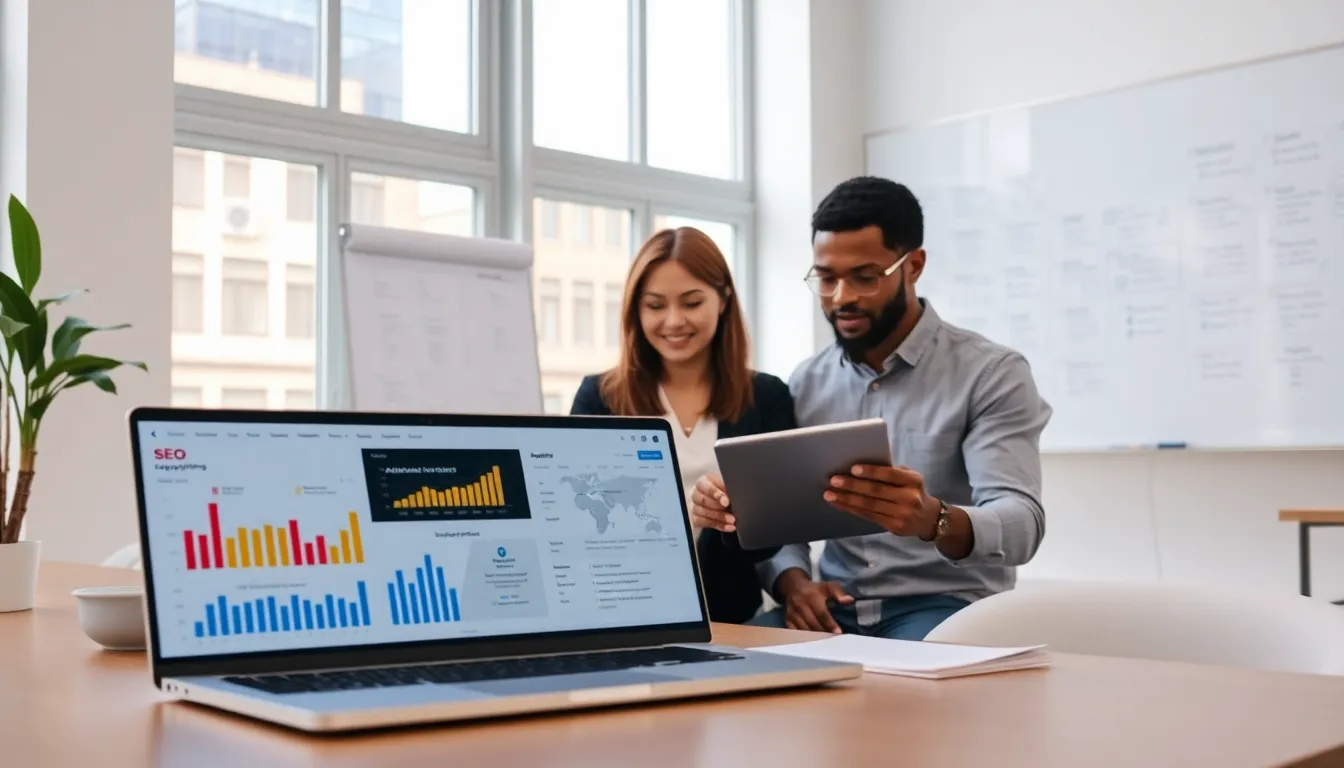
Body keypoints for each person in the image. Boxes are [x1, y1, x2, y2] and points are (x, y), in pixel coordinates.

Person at [691, 176, 1052, 640]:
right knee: (724, 662)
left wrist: (932, 519)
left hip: (947, 609)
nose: (842, 297)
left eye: (865, 277)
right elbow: (783, 528)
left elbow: (1022, 523)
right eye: (825, 278)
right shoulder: (807, 381)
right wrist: (795, 583)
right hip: (835, 609)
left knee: (902, 690)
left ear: (914, 266)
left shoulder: (991, 373)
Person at [569, 226, 795, 624]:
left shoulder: (767, 397)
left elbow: (768, 542)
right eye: (655, 306)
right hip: (624, 612)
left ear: (723, 300)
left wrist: (734, 518)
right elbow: (578, 520)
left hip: (731, 618)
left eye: (691, 303)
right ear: (635, 310)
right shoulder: (599, 397)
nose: (673, 321)